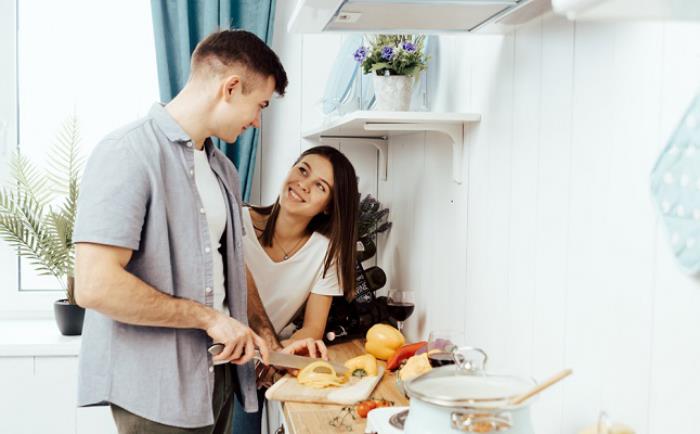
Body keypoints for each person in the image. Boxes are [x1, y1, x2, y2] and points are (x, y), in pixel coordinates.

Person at [73, 29, 296, 434]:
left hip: (220, 379)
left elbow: (230, 262)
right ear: (230, 88)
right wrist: (209, 318)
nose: (257, 121)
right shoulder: (127, 152)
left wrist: (263, 333)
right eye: (258, 105)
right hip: (156, 391)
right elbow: (94, 285)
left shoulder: (221, 168)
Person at [232, 145, 359, 432]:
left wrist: (276, 355)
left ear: (328, 205)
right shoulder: (236, 222)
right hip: (218, 359)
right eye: (302, 170)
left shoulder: (327, 253)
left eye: (319, 186)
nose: (303, 185)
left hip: (264, 365)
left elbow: (312, 329)